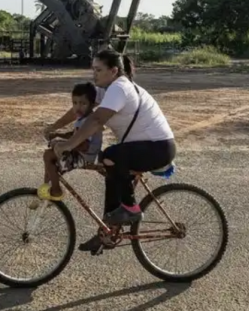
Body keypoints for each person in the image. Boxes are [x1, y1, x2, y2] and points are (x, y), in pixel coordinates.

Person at [45, 49, 176, 252]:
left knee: (110, 155)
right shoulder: (106, 89)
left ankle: (131, 208)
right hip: (141, 148)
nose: (94, 74)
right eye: (93, 69)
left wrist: (68, 144)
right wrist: (54, 127)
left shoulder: (119, 88)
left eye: (98, 70)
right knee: (110, 170)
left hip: (157, 148)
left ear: (114, 71)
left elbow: (97, 119)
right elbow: (80, 111)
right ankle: (107, 231)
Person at [38, 82, 103, 201]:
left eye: (83, 103)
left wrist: (63, 143)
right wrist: (58, 135)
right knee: (51, 157)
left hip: (86, 156)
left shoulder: (89, 121)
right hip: (81, 153)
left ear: (92, 104)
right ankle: (47, 187)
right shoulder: (82, 118)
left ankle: (55, 191)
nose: (78, 107)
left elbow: (84, 145)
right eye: (75, 103)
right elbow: (75, 135)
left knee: (49, 155)